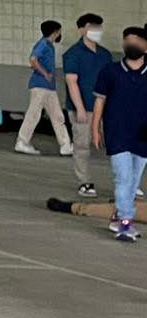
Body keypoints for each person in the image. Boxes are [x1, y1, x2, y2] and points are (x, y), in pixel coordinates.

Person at [92, 28, 147, 242]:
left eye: (136, 41)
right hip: (118, 134)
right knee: (123, 178)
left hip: (143, 136)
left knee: (133, 181)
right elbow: (100, 101)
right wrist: (96, 128)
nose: (131, 44)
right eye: (128, 41)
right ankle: (125, 222)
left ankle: (118, 214)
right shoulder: (110, 71)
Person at [62, 13, 110, 198]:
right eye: (92, 27)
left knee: (115, 144)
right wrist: (80, 108)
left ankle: (124, 182)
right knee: (82, 145)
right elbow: (72, 82)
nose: (96, 32)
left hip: (104, 107)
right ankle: (84, 181)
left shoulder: (105, 55)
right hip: (83, 108)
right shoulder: (73, 54)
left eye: (99, 28)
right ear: (82, 29)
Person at [16, 19, 73, 158]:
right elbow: (33, 59)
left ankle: (65, 145)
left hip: (49, 88)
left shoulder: (49, 45)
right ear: (55, 32)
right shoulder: (43, 44)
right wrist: (45, 73)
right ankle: (22, 141)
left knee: (57, 116)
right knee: (34, 114)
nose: (60, 33)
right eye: (59, 31)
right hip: (40, 86)